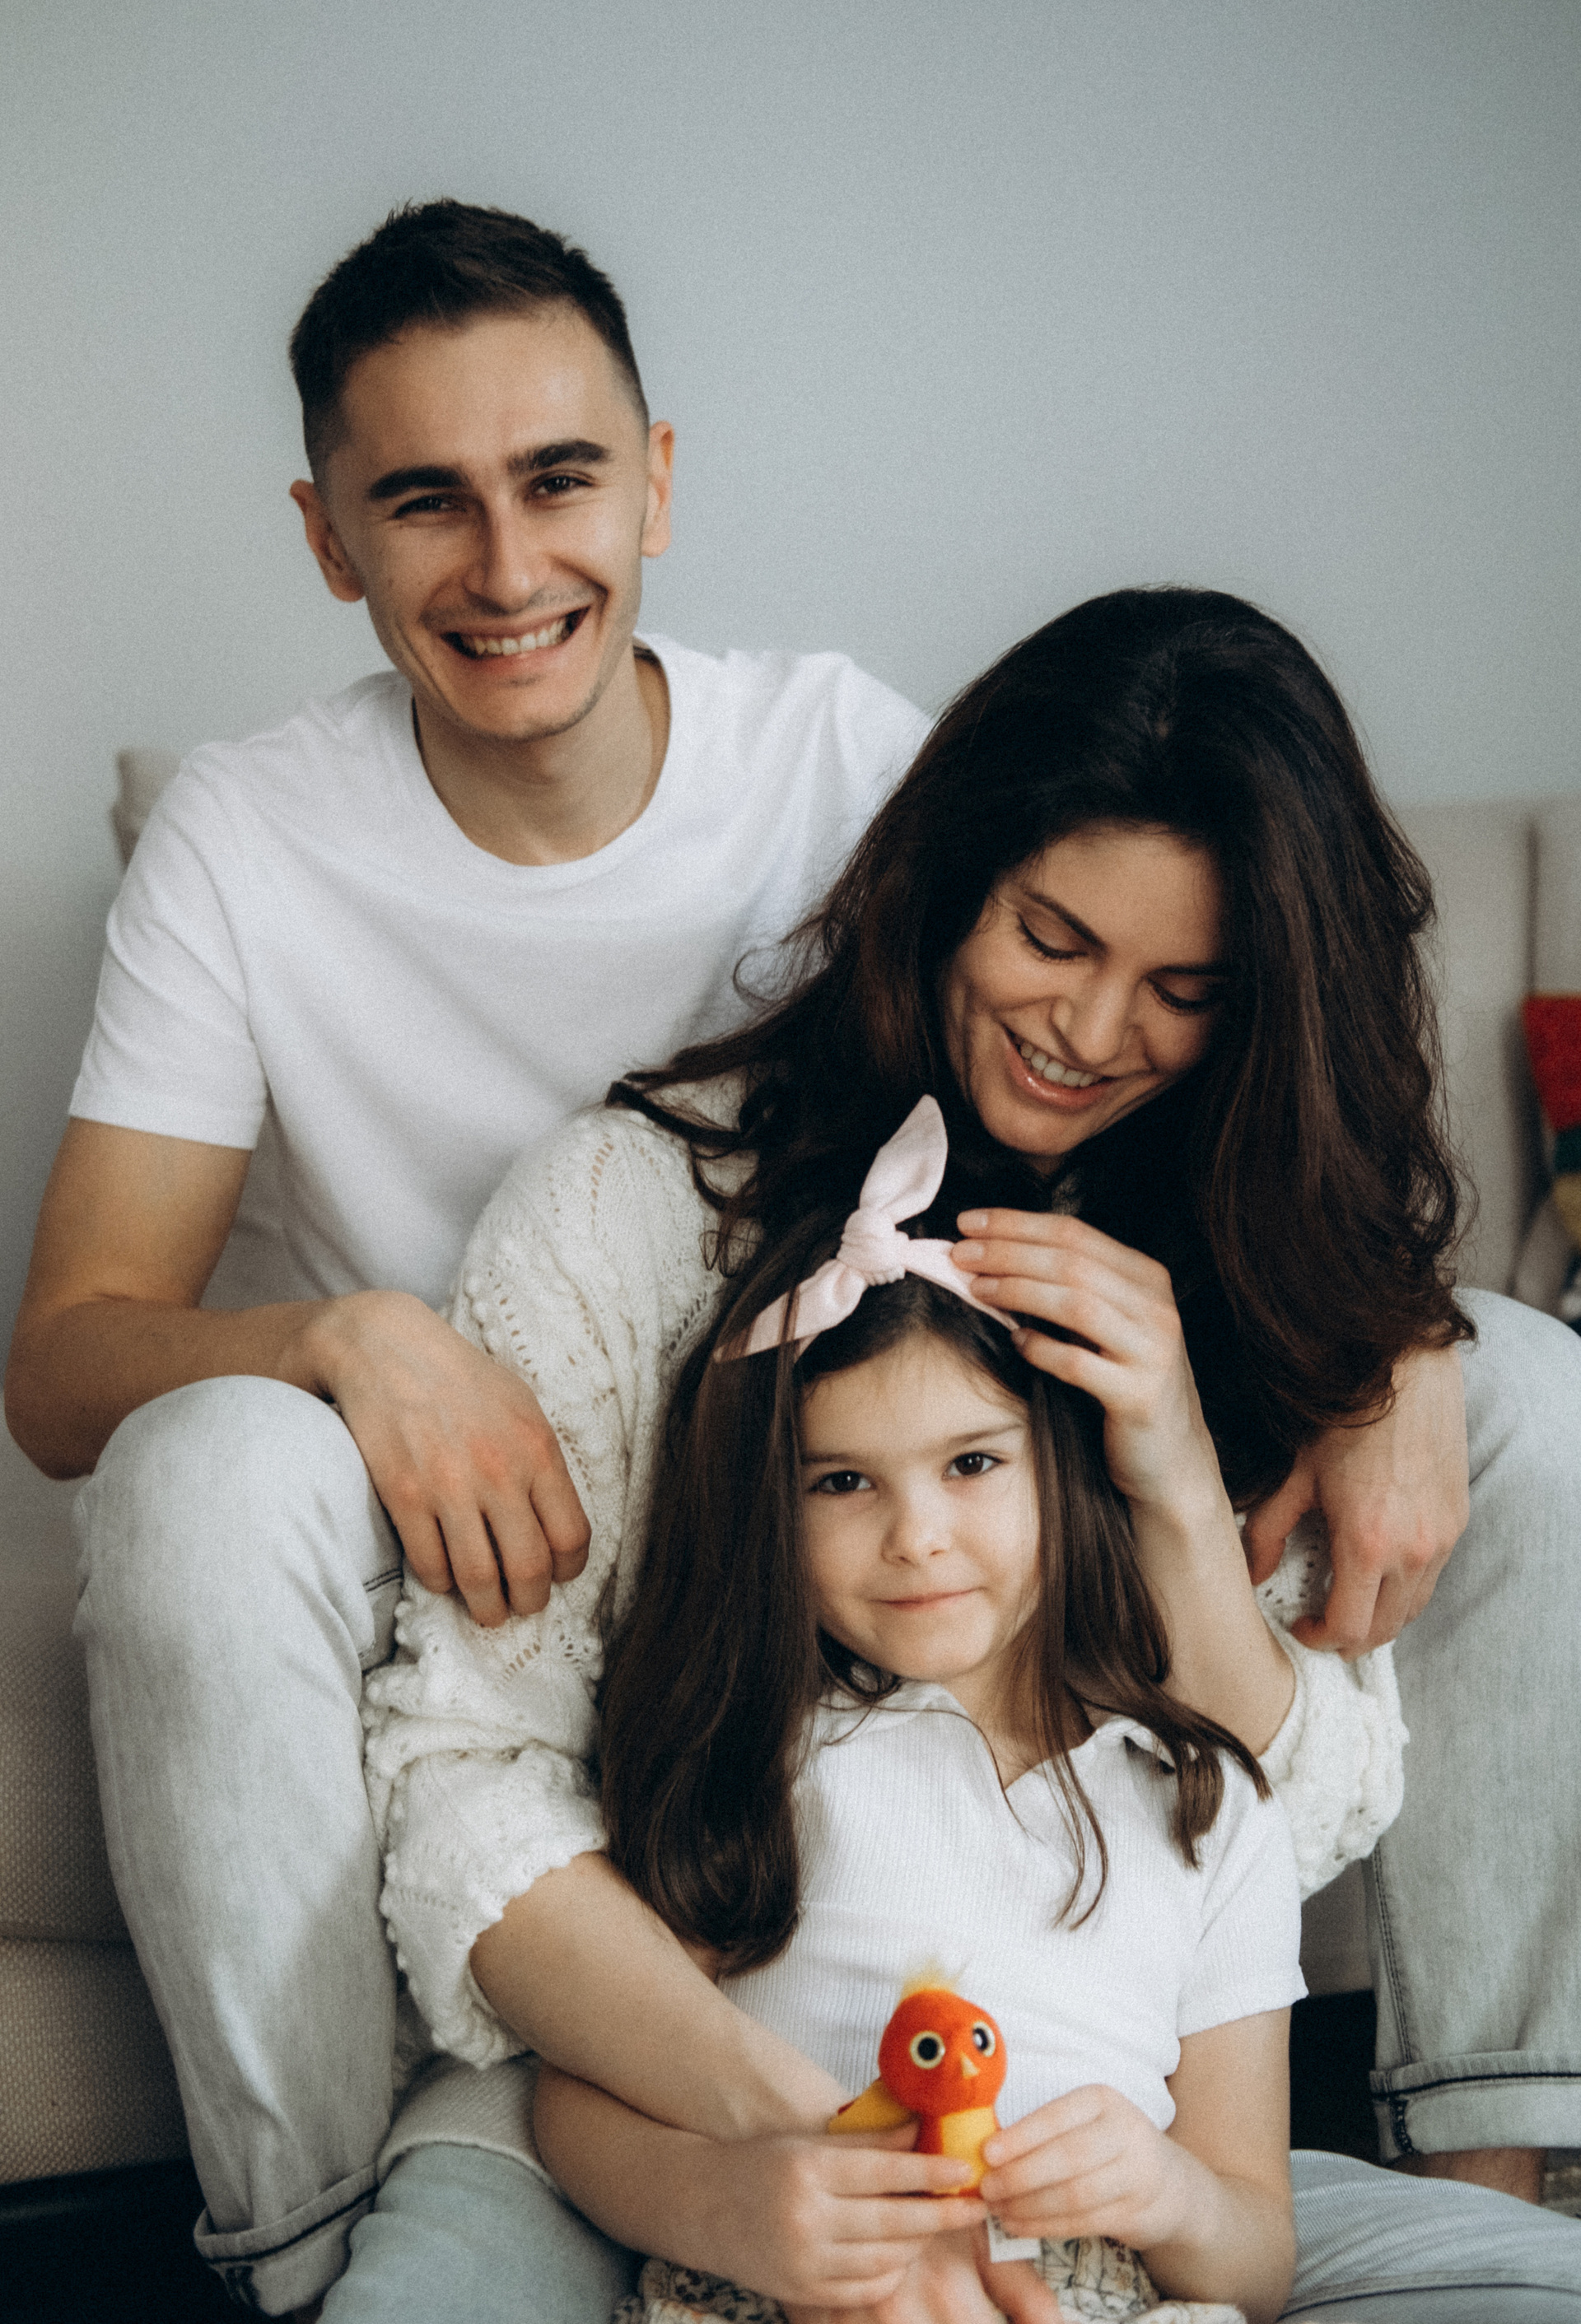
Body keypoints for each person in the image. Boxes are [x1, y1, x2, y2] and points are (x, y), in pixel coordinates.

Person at [347, 587, 1581, 2321]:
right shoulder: (629, 1209)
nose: (1090, 1030)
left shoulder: (1239, 1247)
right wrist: (812, 2150)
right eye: (1052, 938)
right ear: (946, 877)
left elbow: (1257, 1827)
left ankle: (1498, 2158)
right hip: (649, 2075)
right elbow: (472, 1783)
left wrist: (1191, 1455)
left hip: (1098, 2137)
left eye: (1184, 991)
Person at [1, 199, 927, 2315]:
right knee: (200, 1468)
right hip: (433, 1540)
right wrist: (353, 1336)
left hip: (772, 1498)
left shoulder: (843, 766)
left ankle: (1499, 2153)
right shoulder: (246, 832)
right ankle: (318, 2249)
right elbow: (60, 1365)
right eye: (424, 500)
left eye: (560, 478)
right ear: (329, 538)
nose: (507, 569)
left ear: (658, 481)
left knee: (1506, 1378)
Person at [548, 1096, 1306, 2324]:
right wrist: (723, 2204)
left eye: (972, 1463)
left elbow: (1257, 2256)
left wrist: (1171, 2194)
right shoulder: (761, 1750)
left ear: (1065, 1459)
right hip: (798, 2287)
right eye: (844, 1481)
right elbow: (577, 2101)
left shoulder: (1204, 1805)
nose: (918, 1537)